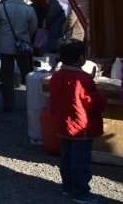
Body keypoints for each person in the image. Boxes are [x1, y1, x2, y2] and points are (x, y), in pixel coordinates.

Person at [49, 40, 107, 204]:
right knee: (80, 160)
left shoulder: (57, 76)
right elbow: (93, 102)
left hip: (63, 124)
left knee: (66, 157)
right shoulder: (82, 79)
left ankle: (67, 187)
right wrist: (103, 99)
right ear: (81, 57)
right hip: (81, 127)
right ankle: (80, 192)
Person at [0, 0, 37, 113]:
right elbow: (33, 27)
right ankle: (32, 100)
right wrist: (25, 36)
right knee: (27, 73)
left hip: (5, 43)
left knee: (6, 74)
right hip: (22, 44)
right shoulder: (29, 9)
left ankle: (8, 102)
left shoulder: (3, 7)